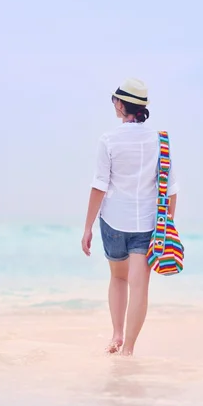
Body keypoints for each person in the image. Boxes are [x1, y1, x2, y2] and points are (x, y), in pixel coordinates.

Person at [81, 79, 179, 356]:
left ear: (122, 105)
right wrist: (167, 225)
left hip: (113, 220)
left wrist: (87, 227)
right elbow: (172, 189)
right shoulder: (160, 140)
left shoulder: (109, 139)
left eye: (115, 101)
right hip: (148, 224)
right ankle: (129, 350)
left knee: (118, 279)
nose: (114, 105)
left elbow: (100, 185)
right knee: (140, 287)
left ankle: (117, 335)